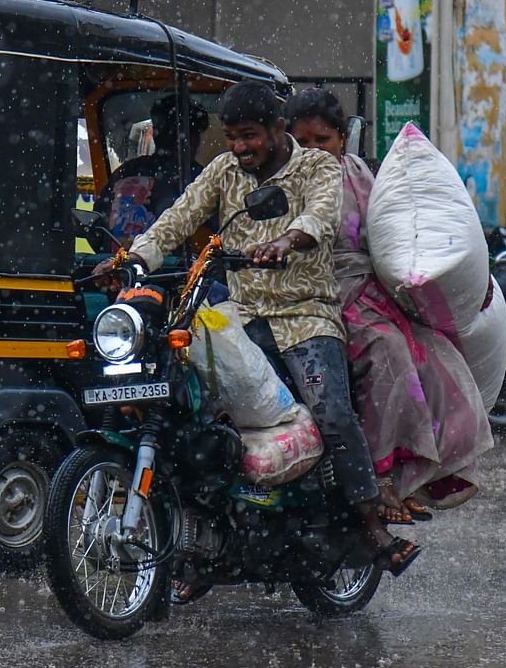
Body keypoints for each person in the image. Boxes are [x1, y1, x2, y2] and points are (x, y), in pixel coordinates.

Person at [93, 81, 419, 575]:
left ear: (277, 129)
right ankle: (205, 531)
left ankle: (372, 525)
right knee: (190, 404)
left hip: (305, 316)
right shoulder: (223, 172)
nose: (240, 148)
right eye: (231, 137)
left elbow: (322, 216)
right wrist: (132, 257)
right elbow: (177, 219)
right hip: (240, 316)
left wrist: (290, 239)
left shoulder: (315, 166)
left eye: (249, 136)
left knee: (331, 410)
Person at [285, 88, 494, 523]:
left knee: (434, 354)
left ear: (342, 138)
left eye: (321, 140)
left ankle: (419, 475)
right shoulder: (286, 183)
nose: (312, 151)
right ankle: (380, 480)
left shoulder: (362, 174)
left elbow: (390, 236)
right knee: (390, 355)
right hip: (324, 297)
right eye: (302, 142)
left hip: (372, 292)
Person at [94, 95, 210, 246]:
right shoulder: (201, 178)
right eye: (194, 135)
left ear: (155, 133)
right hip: (181, 269)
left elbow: (97, 230)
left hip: (119, 267)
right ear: (192, 137)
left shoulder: (126, 172)